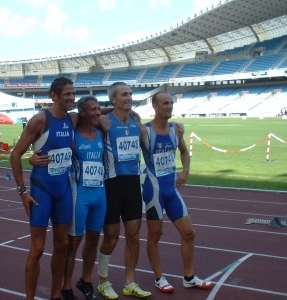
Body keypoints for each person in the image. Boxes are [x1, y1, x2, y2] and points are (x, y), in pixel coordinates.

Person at [10, 77, 79, 300]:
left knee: (62, 244)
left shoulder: (73, 119)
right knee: (38, 247)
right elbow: (15, 155)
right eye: (67, 94)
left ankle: (55, 295)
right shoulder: (40, 120)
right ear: (54, 96)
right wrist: (22, 192)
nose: (71, 97)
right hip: (42, 190)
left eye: (73, 93)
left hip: (63, 190)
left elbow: (96, 111)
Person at [140, 92, 215, 293]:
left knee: (189, 233)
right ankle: (158, 278)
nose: (170, 106)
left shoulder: (176, 130)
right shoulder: (144, 132)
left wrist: (185, 170)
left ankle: (189, 277)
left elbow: (183, 151)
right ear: (155, 106)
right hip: (153, 189)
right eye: (165, 103)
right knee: (155, 234)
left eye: (171, 103)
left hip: (171, 189)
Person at [96, 82, 151, 299]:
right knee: (111, 237)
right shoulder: (105, 121)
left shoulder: (137, 121)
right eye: (124, 94)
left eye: (130, 93)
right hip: (111, 185)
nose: (129, 97)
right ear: (113, 99)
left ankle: (130, 282)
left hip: (132, 185)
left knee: (134, 235)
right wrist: (107, 109)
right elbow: (83, 114)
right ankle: (103, 281)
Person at [61, 95, 106, 300]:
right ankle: (67, 286)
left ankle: (85, 280)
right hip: (80, 195)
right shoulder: (72, 135)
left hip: (100, 195)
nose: (97, 112)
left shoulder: (100, 133)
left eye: (99, 109)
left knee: (94, 240)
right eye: (93, 109)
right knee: (74, 242)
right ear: (82, 113)